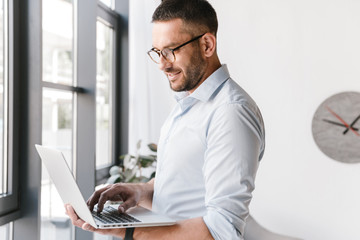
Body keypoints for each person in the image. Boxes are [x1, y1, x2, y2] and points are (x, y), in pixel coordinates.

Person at [66, 0, 265, 239]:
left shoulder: (230, 112)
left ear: (207, 45)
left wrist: (129, 232)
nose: (162, 64)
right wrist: (139, 191)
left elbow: (222, 229)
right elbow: (182, 185)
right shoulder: (188, 104)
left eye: (171, 51)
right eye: (157, 52)